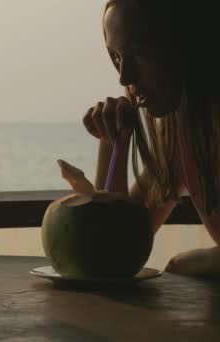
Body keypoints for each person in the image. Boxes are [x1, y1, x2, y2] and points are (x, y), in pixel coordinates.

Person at [82, 0, 220, 276]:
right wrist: (113, 144)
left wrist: (201, 262)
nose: (125, 77)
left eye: (142, 54)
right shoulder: (181, 143)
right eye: (118, 58)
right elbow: (112, 254)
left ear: (192, 46)